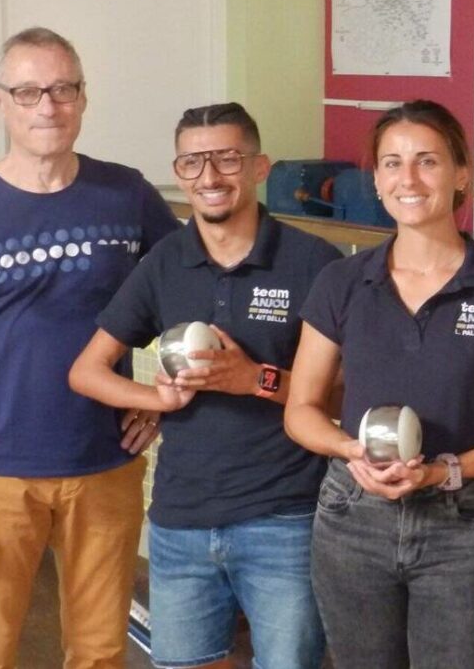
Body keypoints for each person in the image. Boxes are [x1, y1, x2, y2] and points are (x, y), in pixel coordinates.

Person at [0, 27, 178, 668]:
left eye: (61, 89)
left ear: (83, 97)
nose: (46, 107)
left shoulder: (128, 195)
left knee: (101, 651)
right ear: (2, 102)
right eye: (28, 92)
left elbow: (189, 297)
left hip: (107, 464)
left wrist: (160, 397)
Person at [283, 99, 474, 669]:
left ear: (461, 174)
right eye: (391, 163)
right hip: (352, 516)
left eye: (427, 161)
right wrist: (350, 451)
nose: (407, 179)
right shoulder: (342, 281)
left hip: (460, 524)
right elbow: (302, 409)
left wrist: (446, 471)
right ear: (377, 179)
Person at [68, 102, 339, 669]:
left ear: (260, 167)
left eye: (226, 159)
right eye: (193, 163)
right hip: (180, 523)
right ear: (178, 171)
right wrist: (155, 399)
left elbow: (344, 395)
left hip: (285, 520)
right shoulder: (165, 262)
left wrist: (253, 379)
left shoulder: (314, 263)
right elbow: (86, 371)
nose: (209, 178)